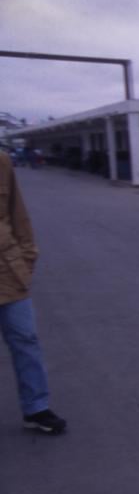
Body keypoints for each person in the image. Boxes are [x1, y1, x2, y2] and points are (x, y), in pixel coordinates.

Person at [1, 151, 67, 434]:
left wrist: (27, 257)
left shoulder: (1, 162)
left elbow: (18, 214)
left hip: (7, 268)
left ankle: (36, 407)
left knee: (25, 339)